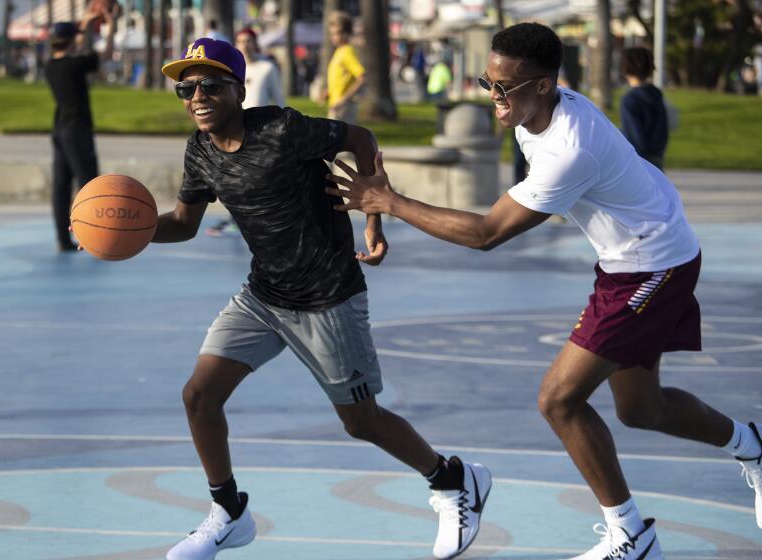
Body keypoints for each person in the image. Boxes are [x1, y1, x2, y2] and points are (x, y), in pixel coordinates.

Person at [325, 22, 762, 560]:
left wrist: (389, 202)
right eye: (487, 82)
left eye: (504, 88)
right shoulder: (531, 113)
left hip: (653, 265)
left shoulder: (568, 148)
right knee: (640, 410)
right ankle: (753, 446)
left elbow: (487, 234)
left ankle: (631, 533)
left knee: (558, 399)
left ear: (545, 84)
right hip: (636, 255)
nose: (493, 97)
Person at [156, 37, 491, 560]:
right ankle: (229, 513)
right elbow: (181, 224)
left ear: (238, 90)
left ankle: (452, 479)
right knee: (199, 395)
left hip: (328, 296)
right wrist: (124, 235)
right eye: (185, 87)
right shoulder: (199, 152)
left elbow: (360, 136)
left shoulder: (284, 129)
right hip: (263, 296)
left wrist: (372, 215)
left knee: (361, 422)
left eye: (209, 85)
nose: (196, 96)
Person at [45, 8, 118, 251]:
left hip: (59, 130)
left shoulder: (51, 65)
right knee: (89, 185)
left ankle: (62, 239)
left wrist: (83, 25)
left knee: (61, 186)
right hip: (77, 130)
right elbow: (106, 54)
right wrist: (111, 26)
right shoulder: (75, 65)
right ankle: (94, 236)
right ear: (70, 40)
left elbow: (74, 45)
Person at [205, 26, 286, 237]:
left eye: (248, 40)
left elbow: (279, 100)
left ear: (255, 43)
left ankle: (256, 219)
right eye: (240, 41)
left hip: (261, 132)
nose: (245, 45)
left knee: (257, 179)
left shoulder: (267, 68)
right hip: (234, 130)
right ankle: (237, 219)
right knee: (234, 178)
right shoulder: (233, 71)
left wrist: (282, 126)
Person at [620, 47, 669, 170]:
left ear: (625, 69)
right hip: (657, 158)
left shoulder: (629, 100)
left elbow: (634, 135)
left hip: (637, 163)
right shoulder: (656, 95)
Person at [326, 11, 366, 123]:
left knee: (337, 139)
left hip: (343, 107)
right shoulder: (339, 51)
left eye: (336, 33)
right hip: (336, 105)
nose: (333, 37)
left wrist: (343, 100)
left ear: (346, 33)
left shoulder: (347, 52)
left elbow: (361, 78)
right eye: (331, 33)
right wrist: (328, 92)